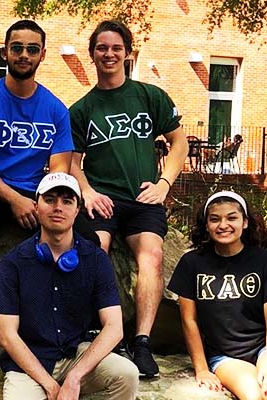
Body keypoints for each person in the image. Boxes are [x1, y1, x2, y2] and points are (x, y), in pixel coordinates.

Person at [69, 20, 189, 377]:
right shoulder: (81, 110)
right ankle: (102, 329)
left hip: (143, 199)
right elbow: (72, 163)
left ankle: (141, 342)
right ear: (92, 54)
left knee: (151, 256)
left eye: (116, 48)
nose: (109, 54)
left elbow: (179, 142)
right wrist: (87, 192)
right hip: (102, 200)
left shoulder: (149, 96)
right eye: (102, 48)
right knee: (95, 249)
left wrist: (164, 184)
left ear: (127, 53)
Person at [0, 20, 96, 314]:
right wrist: (15, 200)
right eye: (17, 48)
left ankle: (74, 310)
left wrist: (43, 205)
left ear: (42, 54)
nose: (24, 55)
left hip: (38, 192)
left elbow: (59, 171)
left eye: (32, 49)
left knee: (88, 239)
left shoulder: (55, 109)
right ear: (5, 53)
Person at [0, 172, 138, 400]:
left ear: (77, 209)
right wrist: (50, 386)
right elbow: (7, 336)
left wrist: (75, 377)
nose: (58, 207)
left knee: (126, 374)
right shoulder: (13, 262)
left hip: (76, 355)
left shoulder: (95, 259)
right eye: (50, 199)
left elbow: (114, 327)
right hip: (30, 364)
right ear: (37, 205)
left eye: (67, 201)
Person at [167, 191, 267, 400]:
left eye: (232, 218)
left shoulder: (264, 261)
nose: (223, 225)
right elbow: (189, 320)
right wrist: (202, 369)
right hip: (225, 356)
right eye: (215, 219)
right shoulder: (191, 263)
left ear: (244, 222)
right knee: (254, 396)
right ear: (206, 225)